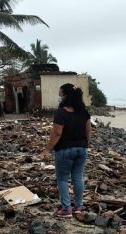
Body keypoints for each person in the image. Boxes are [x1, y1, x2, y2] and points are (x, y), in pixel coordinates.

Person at [42, 83, 92, 217]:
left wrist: (47, 149)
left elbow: (57, 133)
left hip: (65, 150)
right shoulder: (84, 111)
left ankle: (66, 209)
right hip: (82, 149)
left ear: (65, 95)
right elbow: (88, 131)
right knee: (78, 177)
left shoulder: (61, 112)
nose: (59, 96)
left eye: (60, 94)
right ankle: (79, 207)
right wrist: (85, 144)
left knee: (63, 179)